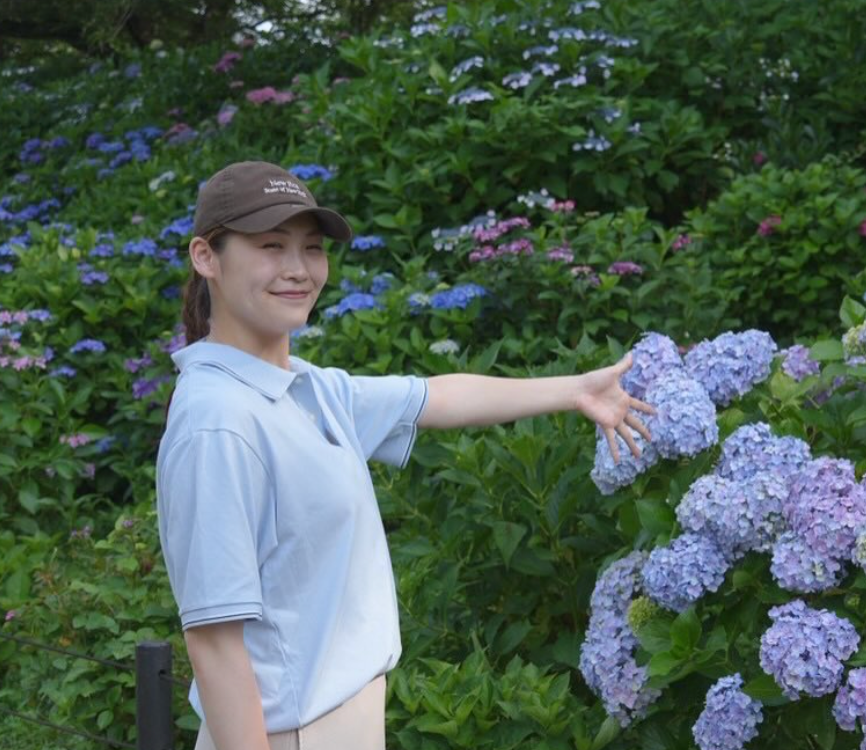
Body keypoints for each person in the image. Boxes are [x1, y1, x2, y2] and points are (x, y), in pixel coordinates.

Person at [155, 160, 655, 750]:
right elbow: (214, 641)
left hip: (341, 723)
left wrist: (574, 391)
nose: (298, 270)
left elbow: (435, 395)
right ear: (206, 257)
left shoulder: (307, 389)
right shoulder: (218, 423)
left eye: (312, 248)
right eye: (270, 246)